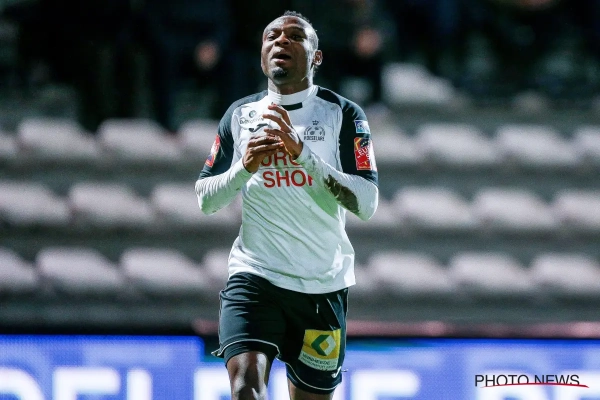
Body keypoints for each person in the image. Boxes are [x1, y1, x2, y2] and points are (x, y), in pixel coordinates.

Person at [195, 10, 378, 400]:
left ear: (317, 57)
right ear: (262, 56)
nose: (281, 41)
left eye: (295, 36)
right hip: (254, 277)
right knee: (245, 389)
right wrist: (244, 168)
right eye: (272, 36)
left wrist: (304, 156)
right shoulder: (240, 115)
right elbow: (206, 200)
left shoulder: (343, 114)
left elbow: (367, 203)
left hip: (321, 286)